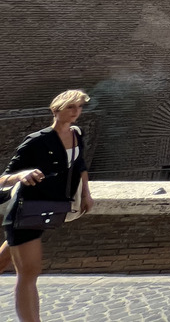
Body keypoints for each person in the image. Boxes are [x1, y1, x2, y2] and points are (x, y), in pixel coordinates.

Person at [0, 90, 95, 322]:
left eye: (79, 107)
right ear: (56, 110)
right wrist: (22, 174)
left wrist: (86, 193)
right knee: (29, 273)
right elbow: (4, 178)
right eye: (70, 107)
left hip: (50, 208)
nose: (76, 112)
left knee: (5, 259)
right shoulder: (37, 140)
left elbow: (80, 163)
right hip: (26, 211)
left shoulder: (76, 134)